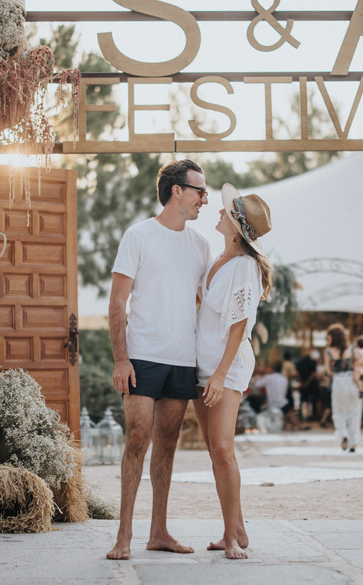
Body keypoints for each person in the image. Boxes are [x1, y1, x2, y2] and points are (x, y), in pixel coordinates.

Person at [106, 159, 211, 561]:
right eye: (199, 190)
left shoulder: (200, 245)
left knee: (167, 443)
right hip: (142, 356)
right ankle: (123, 535)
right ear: (176, 191)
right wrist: (121, 359)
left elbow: (206, 303)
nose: (204, 198)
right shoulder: (139, 235)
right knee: (137, 437)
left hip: (182, 359)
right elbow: (118, 301)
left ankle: (159, 531)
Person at [194, 183, 273, 560]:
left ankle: (229, 536)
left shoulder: (244, 266)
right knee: (214, 449)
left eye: (226, 211)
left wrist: (220, 374)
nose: (219, 213)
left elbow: (240, 323)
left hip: (226, 367)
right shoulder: (218, 260)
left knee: (223, 448)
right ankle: (237, 528)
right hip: (203, 365)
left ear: (237, 227)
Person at [324, 324, 363, 453]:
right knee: (354, 413)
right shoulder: (352, 350)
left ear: (331, 337)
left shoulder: (328, 352)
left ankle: (344, 435)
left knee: (339, 413)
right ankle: (353, 444)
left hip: (338, 384)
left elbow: (329, 371)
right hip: (352, 383)